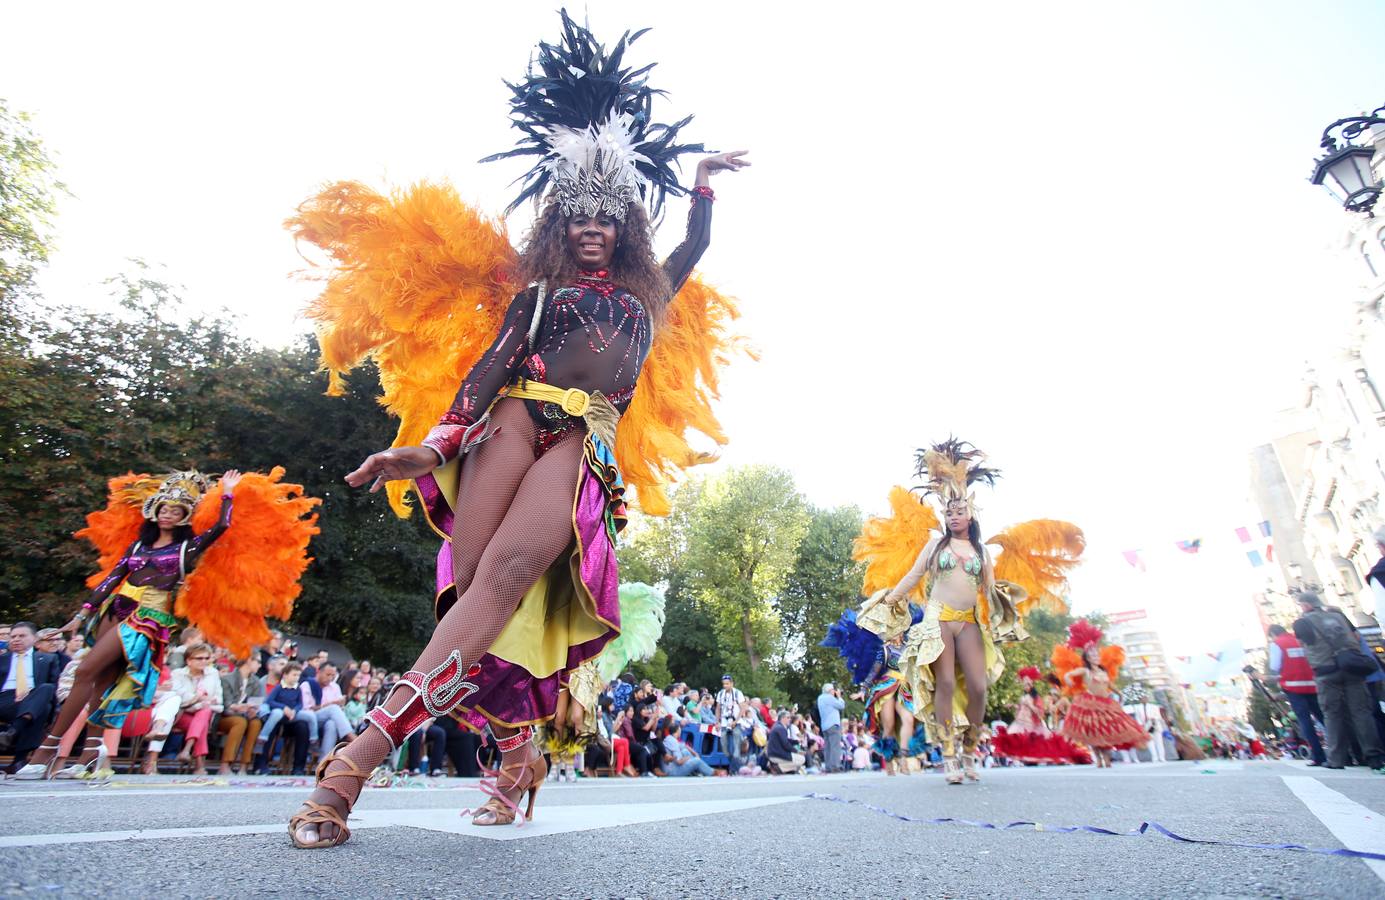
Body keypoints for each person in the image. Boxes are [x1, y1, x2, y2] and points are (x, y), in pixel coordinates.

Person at [285, 11, 748, 846]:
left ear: (626, 227)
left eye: (606, 216)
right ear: (559, 227)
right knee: (473, 604)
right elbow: (489, 370)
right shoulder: (537, 297)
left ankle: (352, 766)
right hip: (505, 424)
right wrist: (428, 445)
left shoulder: (649, 297)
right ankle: (515, 752)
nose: (591, 226)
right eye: (576, 216)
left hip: (579, 445)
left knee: (500, 584)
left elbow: (698, 239)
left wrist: (702, 178)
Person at [868, 440, 1083, 785]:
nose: (954, 516)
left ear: (970, 513)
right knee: (947, 683)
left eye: (960, 511)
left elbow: (991, 591)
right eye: (949, 512)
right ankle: (949, 755)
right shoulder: (934, 544)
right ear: (945, 515)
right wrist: (891, 599)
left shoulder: (980, 550)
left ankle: (969, 749)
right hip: (938, 620)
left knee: (980, 687)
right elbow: (913, 575)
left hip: (968, 622)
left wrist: (1007, 616)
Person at [1292, 592, 1384, 771]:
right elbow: (1355, 637)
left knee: (1333, 714)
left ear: (1306, 606)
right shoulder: (1338, 617)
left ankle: (1337, 759)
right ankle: (1374, 756)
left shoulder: (1302, 622)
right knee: (1362, 712)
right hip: (1351, 666)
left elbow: (1304, 644)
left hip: (1326, 671)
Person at [1051, 621, 1149, 768]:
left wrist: (1119, 693)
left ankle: (1107, 758)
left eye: (1096, 653)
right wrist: (1067, 679)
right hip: (1090, 704)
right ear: (1087, 658)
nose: (1095, 656)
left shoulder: (1103, 672)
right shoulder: (1086, 671)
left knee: (1107, 733)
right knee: (1093, 734)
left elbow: (1109, 685)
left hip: (1106, 704)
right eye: (1092, 654)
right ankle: (1098, 759)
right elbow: (1070, 674)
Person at [991, 666, 1088, 765]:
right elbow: (1021, 709)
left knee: (1036, 744)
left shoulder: (1036, 697)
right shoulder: (1024, 696)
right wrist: (1014, 706)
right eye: (1024, 683)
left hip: (1031, 724)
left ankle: (1044, 760)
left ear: (1031, 684)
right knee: (1013, 740)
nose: (1025, 685)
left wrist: (1030, 705)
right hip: (1020, 723)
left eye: (1027, 683)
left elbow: (1040, 712)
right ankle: (1027, 760)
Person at [0, 622, 61, 773]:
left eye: (22, 636)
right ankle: (20, 760)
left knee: (46, 692)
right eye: (13, 636)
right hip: (5, 699)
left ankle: (12, 734)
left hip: (34, 697)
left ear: (34, 639)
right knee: (41, 709)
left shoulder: (47, 659)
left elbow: (54, 688)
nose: (16, 639)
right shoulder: (2, 658)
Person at [1267, 623, 1327, 766]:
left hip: (1294, 686)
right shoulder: (1298, 639)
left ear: (1273, 635)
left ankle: (1318, 756)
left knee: (1305, 721)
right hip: (1313, 684)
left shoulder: (1277, 643)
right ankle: (1344, 752)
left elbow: (1274, 666)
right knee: (1324, 718)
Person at [254, 663, 314, 775]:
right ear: (285, 675)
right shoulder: (279, 687)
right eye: (294, 675)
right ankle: (261, 765)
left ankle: (298, 767)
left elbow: (300, 704)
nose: (296, 678)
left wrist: (294, 711)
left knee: (303, 726)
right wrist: (283, 708)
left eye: (298, 675)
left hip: (292, 717)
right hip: (277, 715)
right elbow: (269, 701)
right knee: (271, 724)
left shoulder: (297, 688)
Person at [219, 656, 265, 775]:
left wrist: (253, 710)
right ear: (248, 660)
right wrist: (236, 707)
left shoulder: (256, 681)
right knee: (240, 722)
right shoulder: (227, 679)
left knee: (256, 723)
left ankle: (244, 765)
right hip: (225, 717)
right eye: (258, 661)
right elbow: (225, 705)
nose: (260, 665)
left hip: (245, 716)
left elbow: (257, 702)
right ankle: (225, 764)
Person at [300, 662, 353, 756]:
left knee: (331, 724)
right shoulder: (307, 685)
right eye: (328, 675)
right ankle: (350, 737)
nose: (330, 678)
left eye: (333, 675)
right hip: (310, 718)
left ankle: (322, 763)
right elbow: (306, 708)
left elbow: (339, 710)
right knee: (333, 708)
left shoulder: (335, 687)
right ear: (319, 672)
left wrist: (341, 704)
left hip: (327, 720)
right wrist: (330, 705)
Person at [817, 682, 845, 773]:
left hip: (824, 725)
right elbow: (841, 705)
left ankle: (828, 766)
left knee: (828, 747)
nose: (834, 692)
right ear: (830, 690)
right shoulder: (829, 698)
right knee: (835, 746)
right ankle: (835, 766)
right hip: (833, 725)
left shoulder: (820, 698)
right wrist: (839, 696)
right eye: (833, 690)